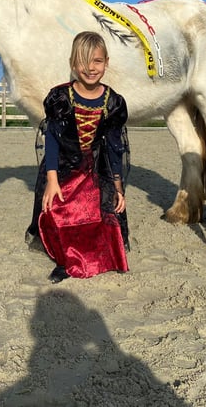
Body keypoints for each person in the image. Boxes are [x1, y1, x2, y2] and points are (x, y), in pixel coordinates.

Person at [25, 31, 130, 283]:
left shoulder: (113, 102)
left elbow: (115, 148)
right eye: (83, 62)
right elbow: (51, 139)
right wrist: (51, 179)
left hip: (96, 165)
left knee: (104, 210)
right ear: (73, 63)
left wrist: (117, 187)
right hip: (62, 165)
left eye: (97, 61)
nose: (90, 68)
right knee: (58, 209)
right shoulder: (60, 98)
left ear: (106, 62)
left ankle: (99, 254)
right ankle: (65, 259)